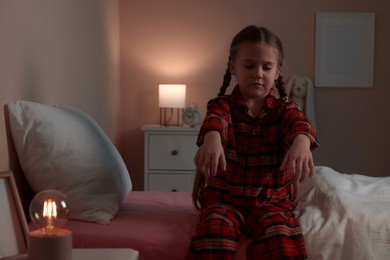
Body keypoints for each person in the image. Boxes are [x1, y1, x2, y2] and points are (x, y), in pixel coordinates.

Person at [187, 25, 319, 260]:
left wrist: (302, 141)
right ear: (233, 67)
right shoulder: (221, 106)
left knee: (283, 239)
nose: (258, 73)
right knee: (214, 235)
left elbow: (300, 124)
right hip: (223, 201)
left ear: (277, 71)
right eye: (249, 65)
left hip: (270, 203)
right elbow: (215, 121)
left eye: (266, 67)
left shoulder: (284, 110)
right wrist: (212, 138)